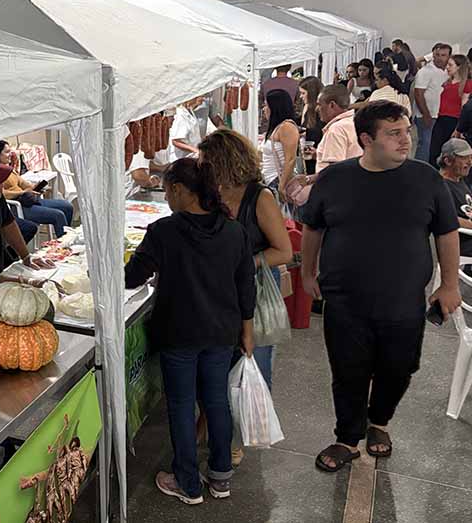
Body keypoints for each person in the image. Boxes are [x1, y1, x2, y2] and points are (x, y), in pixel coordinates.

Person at [301, 101, 461, 472]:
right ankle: (347, 437)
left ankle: (379, 422)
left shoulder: (426, 180)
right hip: (345, 299)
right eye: (394, 133)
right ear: (365, 139)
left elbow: (447, 233)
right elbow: (313, 228)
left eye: (407, 131)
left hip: (404, 301)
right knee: (347, 370)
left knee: (398, 368)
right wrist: (308, 273)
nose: (407, 140)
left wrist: (449, 284)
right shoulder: (335, 179)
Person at [124, 157, 255, 505]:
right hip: (222, 332)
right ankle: (220, 477)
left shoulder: (164, 232)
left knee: (182, 406)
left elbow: (132, 277)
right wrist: (247, 329)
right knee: (215, 402)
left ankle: (187, 482)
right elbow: (246, 285)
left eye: (167, 190)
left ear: (180, 190)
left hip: (180, 331)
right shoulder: (233, 231)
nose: (166, 197)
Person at [200, 129, 293, 389]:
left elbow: (284, 251)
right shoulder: (213, 194)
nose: (201, 169)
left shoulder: (260, 197)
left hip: (257, 289)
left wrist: (246, 265)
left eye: (206, 163)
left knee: (254, 368)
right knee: (221, 370)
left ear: (224, 163)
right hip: (220, 293)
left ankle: (256, 426)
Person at [0, 141, 75, 237]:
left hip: (29, 200)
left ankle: (68, 238)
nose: (11, 154)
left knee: (67, 206)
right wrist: (21, 193)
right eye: (7, 152)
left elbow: (23, 184)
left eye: (10, 151)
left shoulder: (10, 170)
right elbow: (1, 194)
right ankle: (62, 247)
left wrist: (35, 187)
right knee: (58, 215)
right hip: (19, 206)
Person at [429, 54, 472, 167]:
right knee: (434, 153)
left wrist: (459, 129)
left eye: (450, 65)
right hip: (441, 119)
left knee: (450, 156)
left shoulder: (467, 85)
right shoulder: (448, 83)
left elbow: (465, 108)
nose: (447, 67)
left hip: (454, 121)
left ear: (459, 67)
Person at [412, 43, 452, 163]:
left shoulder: (447, 72)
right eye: (437, 55)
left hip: (439, 113)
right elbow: (418, 94)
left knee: (433, 145)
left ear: (449, 56)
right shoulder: (425, 71)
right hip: (425, 114)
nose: (439, 58)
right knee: (425, 145)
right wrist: (426, 114)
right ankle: (420, 170)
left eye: (443, 55)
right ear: (432, 55)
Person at [260, 89, 300, 199]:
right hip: (270, 180)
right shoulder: (276, 128)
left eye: (266, 106)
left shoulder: (287, 127)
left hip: (278, 180)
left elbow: (290, 159)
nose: (264, 109)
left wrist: (282, 185)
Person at [438, 138, 472, 256]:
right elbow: (448, 217)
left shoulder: (459, 180)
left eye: (470, 157)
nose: (470, 162)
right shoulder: (441, 186)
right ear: (447, 160)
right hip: (464, 245)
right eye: (464, 158)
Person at [300, 76, 325, 175]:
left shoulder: (321, 111)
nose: (301, 96)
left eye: (303, 93)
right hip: (308, 152)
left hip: (318, 155)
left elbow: (320, 132)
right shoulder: (307, 108)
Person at [168, 97, 204, 162]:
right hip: (180, 159)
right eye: (200, 96)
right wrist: (195, 150)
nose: (203, 99)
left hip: (190, 158)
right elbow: (175, 141)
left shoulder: (190, 111)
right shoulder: (180, 115)